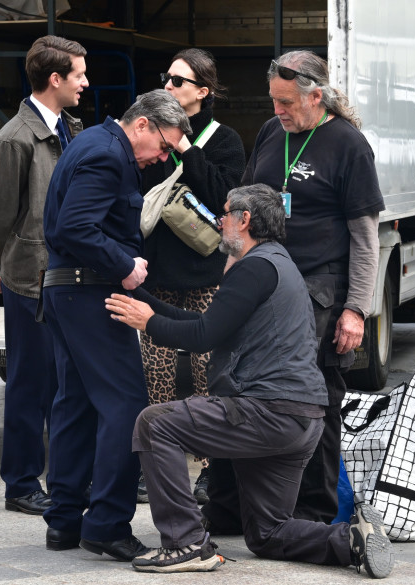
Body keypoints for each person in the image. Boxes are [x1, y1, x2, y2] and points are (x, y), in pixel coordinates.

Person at [104, 184, 393, 577]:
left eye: (224, 213)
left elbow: (203, 336)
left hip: (268, 412)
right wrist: (144, 301)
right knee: (267, 534)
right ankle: (351, 540)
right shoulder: (277, 264)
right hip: (301, 419)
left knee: (155, 424)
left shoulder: (255, 268)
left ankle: (186, 542)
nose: (218, 221)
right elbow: (209, 324)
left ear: (245, 220)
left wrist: (149, 323)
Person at [202, 50, 384, 531]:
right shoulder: (270, 133)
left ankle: (313, 513)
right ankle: (227, 508)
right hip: (258, 284)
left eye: (286, 102)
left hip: (317, 294)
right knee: (235, 388)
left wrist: (356, 310)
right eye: (274, 101)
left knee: (313, 401)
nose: (278, 110)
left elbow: (366, 239)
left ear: (316, 96)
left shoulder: (348, 145)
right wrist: (228, 274)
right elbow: (238, 212)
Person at [41, 90, 191, 562]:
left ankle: (65, 520)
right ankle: (106, 523)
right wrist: (124, 264)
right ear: (143, 124)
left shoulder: (93, 143)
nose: (162, 158)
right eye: (164, 146)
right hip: (91, 293)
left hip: (69, 291)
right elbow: (75, 227)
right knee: (126, 406)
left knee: (77, 404)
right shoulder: (108, 155)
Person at [0, 35, 88, 516]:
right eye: (79, 74)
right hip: (30, 280)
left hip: (65, 277)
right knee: (29, 384)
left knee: (65, 383)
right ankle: (20, 484)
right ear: (55, 79)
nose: (86, 82)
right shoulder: (13, 140)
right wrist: (5, 266)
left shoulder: (69, 129)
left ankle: (65, 480)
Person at [137, 48, 246, 505]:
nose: (168, 86)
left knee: (208, 374)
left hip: (205, 274)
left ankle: (209, 469)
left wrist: (184, 148)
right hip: (157, 274)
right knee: (157, 375)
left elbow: (225, 196)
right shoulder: (149, 131)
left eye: (178, 81)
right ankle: (155, 467)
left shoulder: (224, 140)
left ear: (203, 91)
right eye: (166, 77)